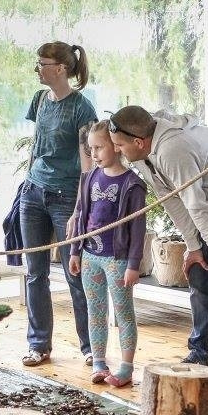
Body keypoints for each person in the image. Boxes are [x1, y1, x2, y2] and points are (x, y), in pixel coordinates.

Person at [107, 106, 208, 384]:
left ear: (138, 141)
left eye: (119, 146)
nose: (117, 152)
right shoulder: (144, 153)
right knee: (199, 272)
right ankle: (201, 352)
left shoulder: (173, 149)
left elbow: (194, 202)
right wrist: (194, 246)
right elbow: (172, 200)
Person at [19, 41, 97, 368]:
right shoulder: (39, 100)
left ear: (61, 68)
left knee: (74, 273)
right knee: (34, 273)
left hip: (67, 197)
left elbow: (88, 162)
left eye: (42, 63)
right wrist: (27, 179)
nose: (37, 68)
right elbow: (37, 145)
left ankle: (90, 347)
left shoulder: (82, 107)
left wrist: (81, 205)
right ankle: (39, 345)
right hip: (33, 192)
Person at [67, 121, 146, 388]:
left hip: (118, 260)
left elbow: (138, 228)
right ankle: (99, 361)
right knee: (96, 310)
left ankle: (126, 367)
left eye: (99, 147)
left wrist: (133, 264)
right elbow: (81, 217)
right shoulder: (88, 178)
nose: (94, 154)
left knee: (123, 313)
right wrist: (75, 251)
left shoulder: (132, 184)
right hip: (90, 257)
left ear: (115, 145)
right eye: (91, 149)